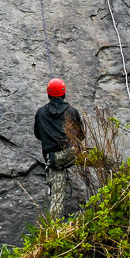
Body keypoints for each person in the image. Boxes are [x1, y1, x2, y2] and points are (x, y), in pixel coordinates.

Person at [33, 78, 85, 218]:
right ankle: (121, 173)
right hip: (72, 152)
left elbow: (38, 135)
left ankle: (53, 230)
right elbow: (81, 136)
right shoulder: (72, 111)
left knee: (57, 197)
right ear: (64, 92)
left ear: (48, 93)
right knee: (99, 157)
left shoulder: (41, 113)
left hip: (53, 159)